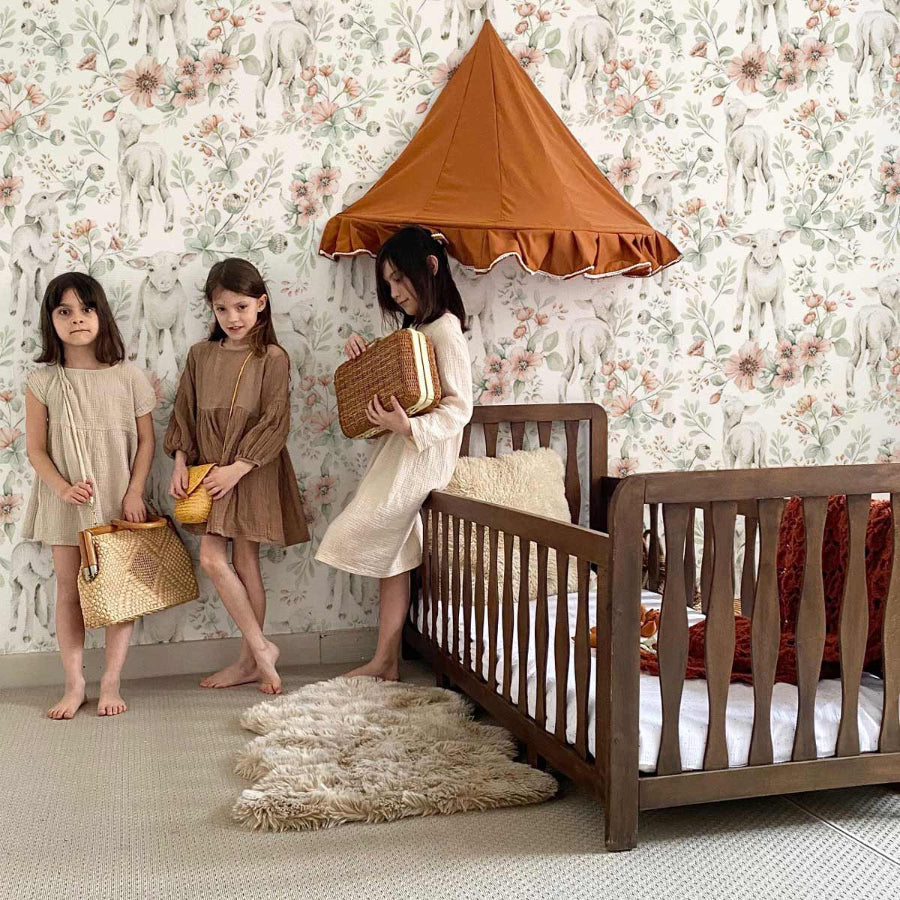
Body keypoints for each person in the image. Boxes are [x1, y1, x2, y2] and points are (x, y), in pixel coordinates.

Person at [316, 226, 473, 681]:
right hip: (399, 450)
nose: (394, 292)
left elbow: (460, 408)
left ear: (430, 267)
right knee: (395, 557)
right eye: (388, 283)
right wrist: (366, 360)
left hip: (421, 454)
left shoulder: (445, 330)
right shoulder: (416, 330)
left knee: (368, 529)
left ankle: (385, 659)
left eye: (399, 279)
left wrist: (409, 428)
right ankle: (386, 660)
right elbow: (403, 390)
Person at [166, 258, 309, 695]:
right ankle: (261, 649)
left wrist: (238, 468)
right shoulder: (201, 355)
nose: (233, 318)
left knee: (244, 562)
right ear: (212, 309)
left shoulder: (273, 358)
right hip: (211, 470)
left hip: (251, 469)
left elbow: (276, 421)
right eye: (222, 308)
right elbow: (184, 413)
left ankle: (251, 659)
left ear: (261, 304)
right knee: (216, 559)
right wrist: (179, 463)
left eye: (242, 307)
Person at [22, 272, 157, 718]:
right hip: (65, 502)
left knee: (119, 590)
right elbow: (36, 449)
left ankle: (112, 680)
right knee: (68, 591)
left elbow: (146, 441)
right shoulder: (43, 382)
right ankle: (74, 683)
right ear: (51, 320)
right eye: (65, 311)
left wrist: (135, 491)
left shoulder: (128, 376)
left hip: (119, 498)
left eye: (86, 309)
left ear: (102, 315)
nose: (77, 319)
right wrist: (63, 489)